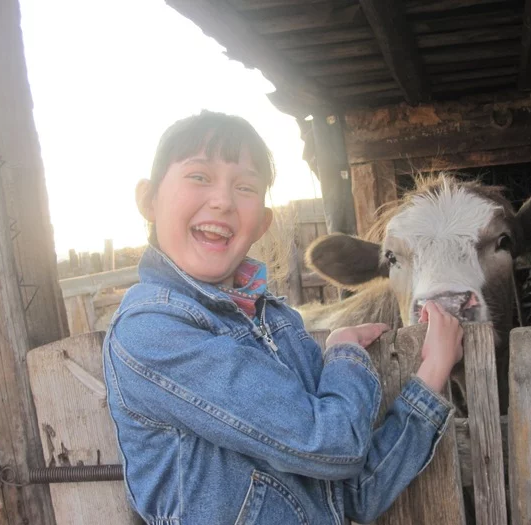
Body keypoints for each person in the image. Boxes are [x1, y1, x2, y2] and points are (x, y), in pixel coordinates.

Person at [103, 110, 464, 525]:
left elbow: (354, 496)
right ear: (149, 200)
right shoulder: (153, 330)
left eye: (245, 186)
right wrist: (345, 356)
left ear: (262, 223)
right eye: (199, 176)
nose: (222, 200)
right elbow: (332, 445)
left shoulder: (278, 322)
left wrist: (433, 374)